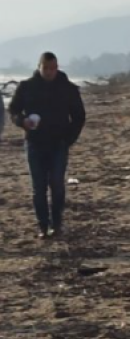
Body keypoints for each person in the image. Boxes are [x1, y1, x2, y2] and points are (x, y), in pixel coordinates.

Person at [7, 53, 86, 238]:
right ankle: (43, 226)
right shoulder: (27, 87)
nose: (50, 72)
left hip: (59, 143)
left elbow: (79, 116)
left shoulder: (68, 88)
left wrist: (69, 139)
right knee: (39, 186)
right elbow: (13, 109)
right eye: (46, 68)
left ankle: (56, 223)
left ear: (57, 67)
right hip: (34, 143)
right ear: (39, 67)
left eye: (53, 68)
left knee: (57, 184)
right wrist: (22, 121)